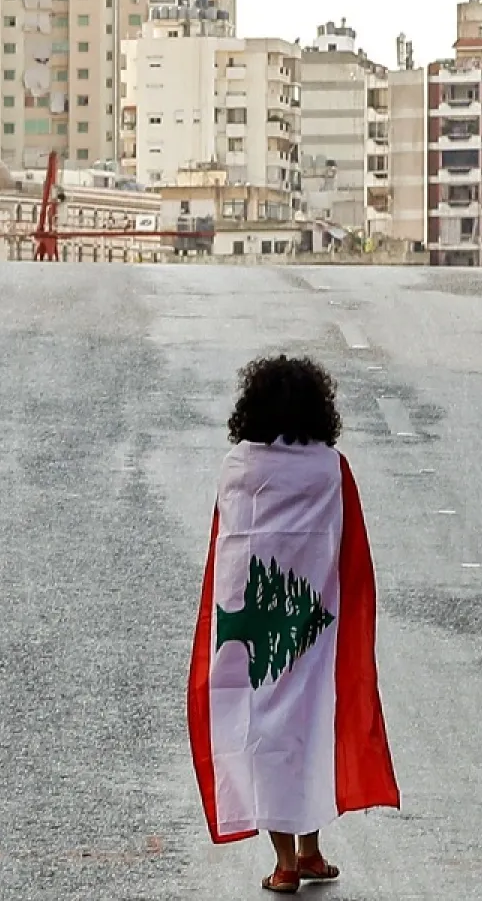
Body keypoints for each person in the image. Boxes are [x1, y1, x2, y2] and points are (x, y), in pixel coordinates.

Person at [188, 355, 400, 895]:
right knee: (311, 727)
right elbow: (351, 545)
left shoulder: (239, 467)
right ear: (316, 410)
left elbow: (227, 542)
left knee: (264, 733)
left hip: (254, 624)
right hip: (313, 624)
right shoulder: (331, 467)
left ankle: (288, 859)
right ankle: (309, 849)